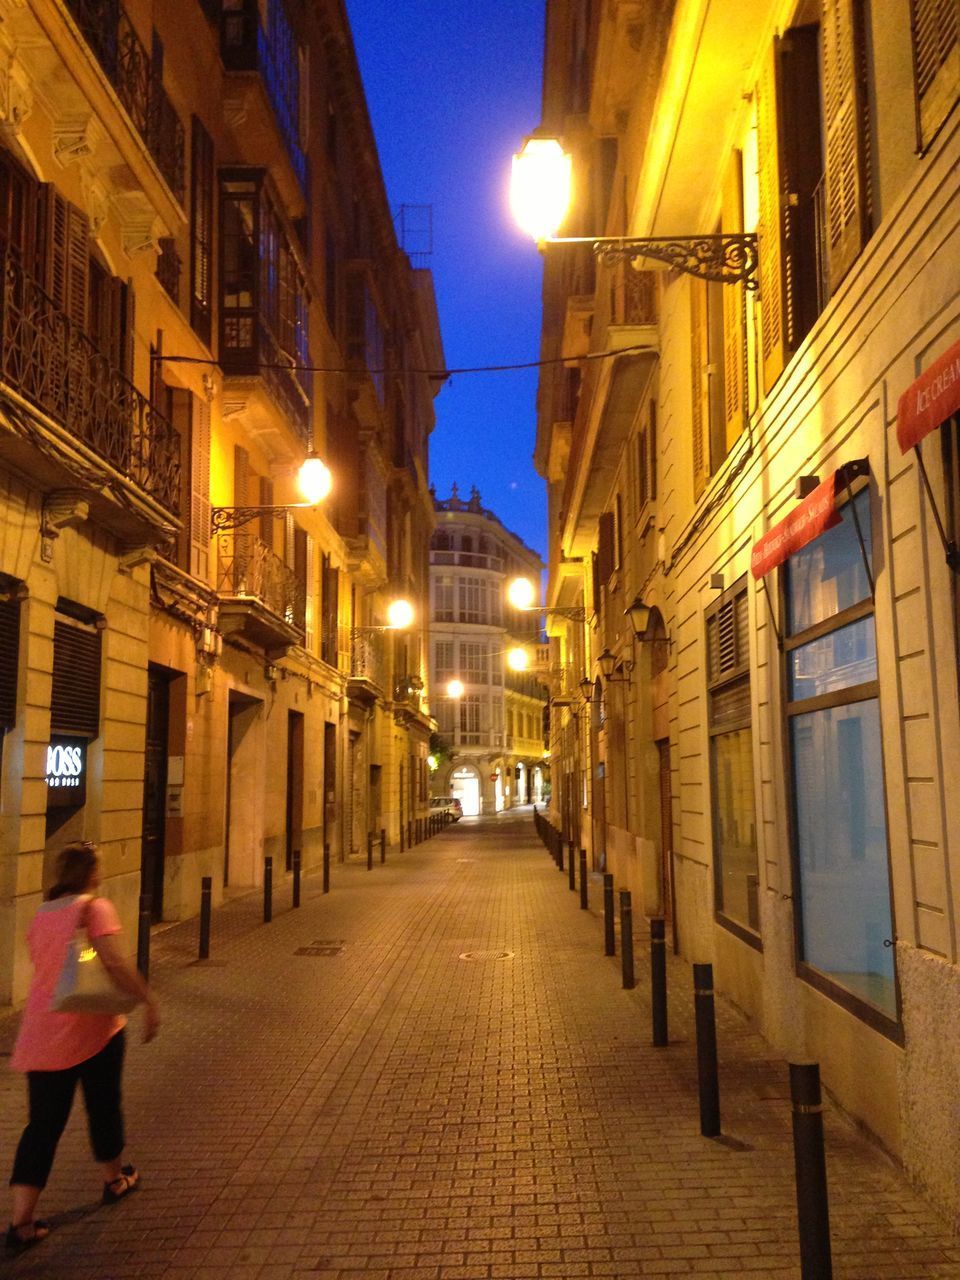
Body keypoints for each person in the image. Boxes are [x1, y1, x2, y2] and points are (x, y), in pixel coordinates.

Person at [6, 841, 160, 1253]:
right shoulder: (95, 908)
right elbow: (113, 961)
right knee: (103, 1105)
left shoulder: (42, 914)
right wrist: (147, 998)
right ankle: (114, 1179)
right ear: (89, 873)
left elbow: (44, 967)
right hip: (93, 1030)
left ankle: (20, 1221)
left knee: (42, 1127)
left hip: (41, 1035)